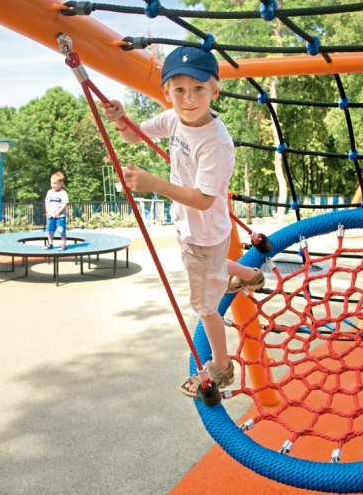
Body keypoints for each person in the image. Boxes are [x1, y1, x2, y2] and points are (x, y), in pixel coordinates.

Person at [101, 46, 264, 399]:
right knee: (210, 268)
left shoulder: (215, 143)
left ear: (215, 90)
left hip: (204, 231)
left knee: (205, 307)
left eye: (198, 89)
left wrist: (154, 184)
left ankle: (220, 366)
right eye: (179, 90)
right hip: (194, 229)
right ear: (167, 93)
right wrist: (121, 118)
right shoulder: (173, 118)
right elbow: (133, 135)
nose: (189, 99)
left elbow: (204, 200)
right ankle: (249, 275)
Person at [44, 172, 69, 250]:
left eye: (55, 183)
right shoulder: (50, 192)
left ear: (61, 184)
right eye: (51, 183)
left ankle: (63, 244)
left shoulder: (63, 193)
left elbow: (65, 204)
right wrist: (48, 211)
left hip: (60, 216)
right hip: (51, 215)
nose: (52, 185)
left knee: (61, 230)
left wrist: (59, 212)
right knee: (50, 230)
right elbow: (46, 202)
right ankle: (50, 243)